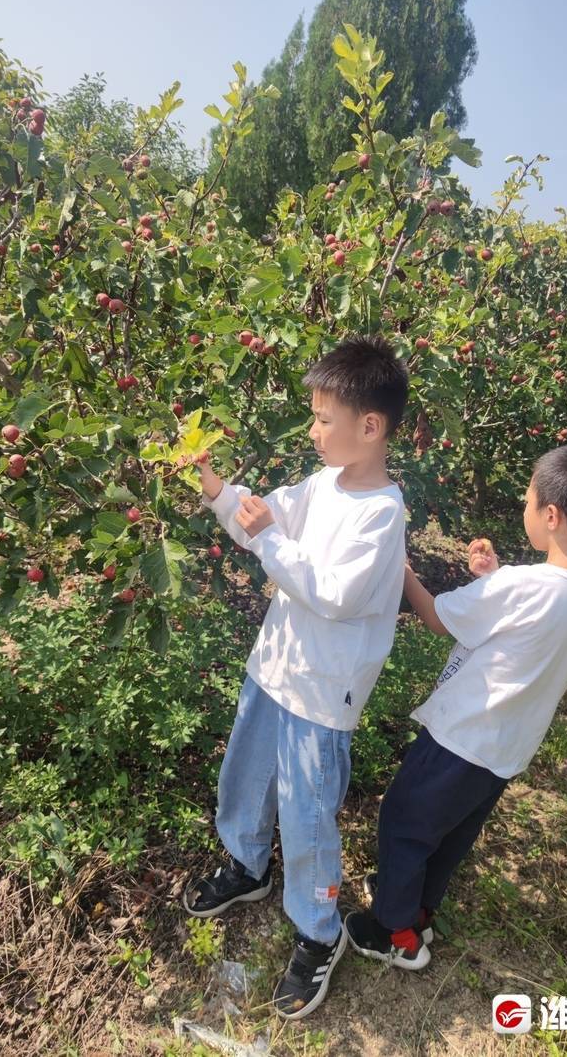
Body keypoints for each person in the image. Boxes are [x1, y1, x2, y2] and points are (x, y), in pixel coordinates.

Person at [183, 334, 409, 1018]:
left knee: (309, 813)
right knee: (246, 775)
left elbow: (332, 592)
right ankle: (247, 865)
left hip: (322, 691)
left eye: (322, 419)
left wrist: (271, 539)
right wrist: (222, 492)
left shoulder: (381, 515)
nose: (312, 431)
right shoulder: (322, 484)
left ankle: (318, 931)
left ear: (369, 427)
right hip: (274, 668)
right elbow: (267, 515)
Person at [346, 443, 567, 969]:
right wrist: (491, 580)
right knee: (450, 833)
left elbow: (435, 618)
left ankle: (394, 933)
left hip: (461, 737)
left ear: (551, 515)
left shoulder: (521, 586)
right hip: (504, 748)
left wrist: (401, 569)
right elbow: (523, 624)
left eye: (527, 499)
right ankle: (417, 909)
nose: (524, 508)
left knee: (404, 822)